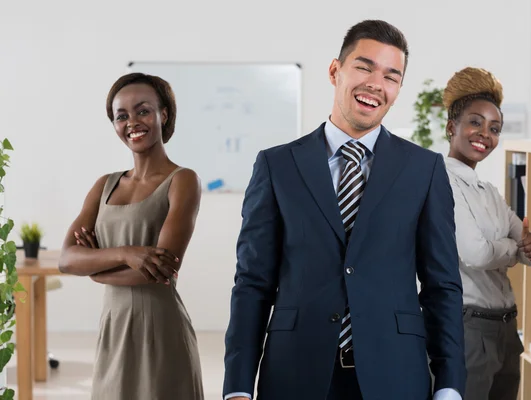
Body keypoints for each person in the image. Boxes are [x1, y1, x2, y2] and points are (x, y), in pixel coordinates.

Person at [223, 20, 466, 400]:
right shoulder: (277, 166)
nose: (375, 84)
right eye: (364, 67)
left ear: (398, 89)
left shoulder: (424, 170)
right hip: (296, 372)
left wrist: (450, 383)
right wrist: (237, 386)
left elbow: (442, 286)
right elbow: (252, 283)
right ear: (335, 71)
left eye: (391, 76)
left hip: (396, 372)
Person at [58, 73, 204, 399]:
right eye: (121, 116)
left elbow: (158, 271)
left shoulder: (183, 180)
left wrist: (94, 269)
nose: (132, 122)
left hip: (160, 330)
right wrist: (126, 253)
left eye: (142, 111)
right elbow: (67, 260)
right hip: (113, 329)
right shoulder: (104, 185)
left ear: (163, 114)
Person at [443, 67, 531, 400]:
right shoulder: (442, 182)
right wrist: (514, 249)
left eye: (495, 128)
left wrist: (528, 249)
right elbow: (476, 254)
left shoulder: (487, 190)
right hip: (470, 327)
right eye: (475, 122)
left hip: (505, 327)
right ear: (451, 127)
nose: (485, 134)